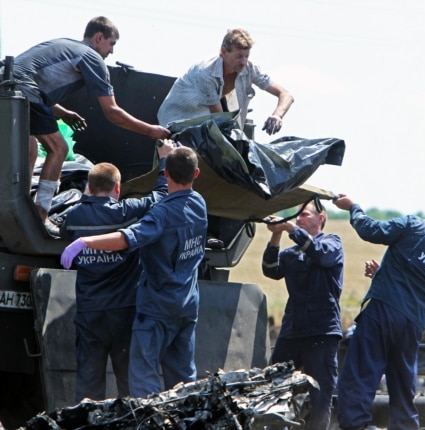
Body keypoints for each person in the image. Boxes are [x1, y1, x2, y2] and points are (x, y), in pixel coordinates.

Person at [61, 146, 207, 398]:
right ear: (196, 173)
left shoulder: (74, 217)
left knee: (123, 382)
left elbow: (124, 239)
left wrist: (86, 241)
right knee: (174, 381)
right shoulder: (197, 204)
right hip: (176, 304)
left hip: (123, 310)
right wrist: (163, 161)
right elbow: (159, 194)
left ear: (90, 187)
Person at [12, 16, 170, 232]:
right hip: (24, 91)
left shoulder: (65, 45)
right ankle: (39, 216)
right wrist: (150, 130)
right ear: (99, 38)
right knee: (59, 148)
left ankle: (18, 212)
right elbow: (112, 112)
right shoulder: (91, 57)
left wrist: (63, 112)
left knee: (27, 153)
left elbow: (38, 81)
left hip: (9, 89)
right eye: (111, 44)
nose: (111, 52)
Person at [331, 196, 425, 430]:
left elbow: (371, 231)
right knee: (403, 385)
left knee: (361, 373)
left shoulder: (415, 224)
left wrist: (354, 208)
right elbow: (423, 287)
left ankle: (357, 426)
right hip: (412, 325)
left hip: (383, 309)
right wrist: (383, 274)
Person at [261, 200, 344, 430]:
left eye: (304, 215)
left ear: (321, 218)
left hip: (322, 330)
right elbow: (270, 270)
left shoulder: (332, 243)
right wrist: (276, 236)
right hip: (292, 330)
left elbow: (321, 255)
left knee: (320, 395)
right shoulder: (291, 253)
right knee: (272, 387)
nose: (298, 219)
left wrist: (289, 229)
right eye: (296, 216)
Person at [157, 28, 294, 135]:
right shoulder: (205, 73)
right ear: (223, 52)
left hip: (205, 123)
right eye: (239, 56)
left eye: (246, 56)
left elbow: (286, 95)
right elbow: (221, 119)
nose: (243, 62)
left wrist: (277, 115)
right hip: (177, 121)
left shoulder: (250, 69)